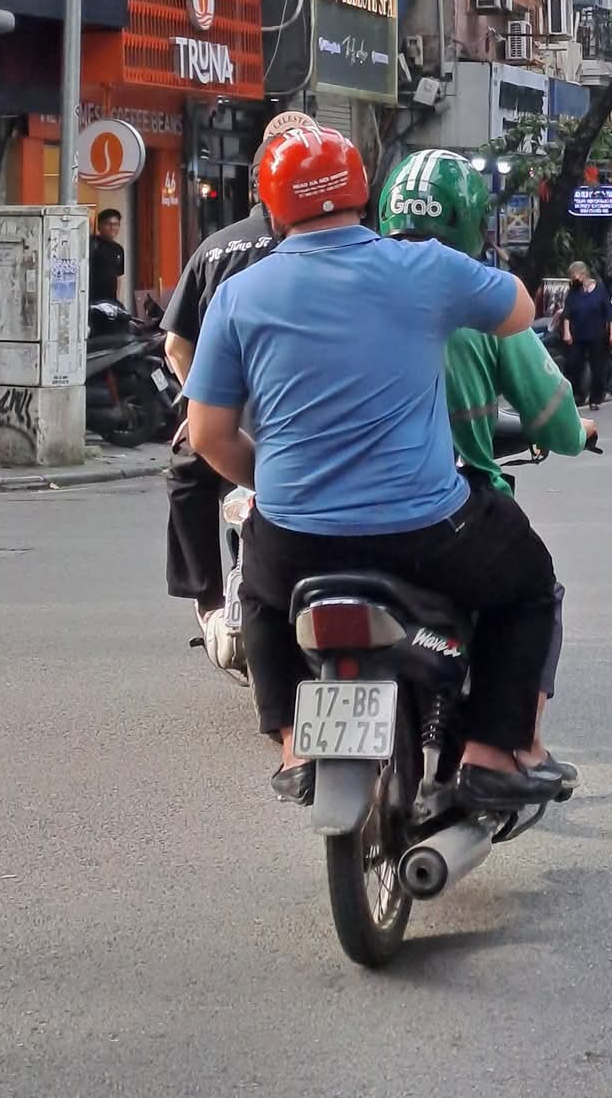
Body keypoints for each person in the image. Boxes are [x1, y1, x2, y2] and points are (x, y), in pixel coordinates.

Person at [185, 125, 560, 811]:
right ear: (364, 195)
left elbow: (208, 434)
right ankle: (493, 751)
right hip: (426, 530)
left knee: (261, 598)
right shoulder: (425, 270)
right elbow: (521, 311)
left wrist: (275, 484)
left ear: (272, 208)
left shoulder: (240, 294)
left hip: (296, 539)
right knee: (529, 584)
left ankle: (298, 742)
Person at [377, 149, 596, 782]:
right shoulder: (481, 300)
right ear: (474, 221)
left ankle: (291, 736)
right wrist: (575, 431)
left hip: (331, 512)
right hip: (449, 506)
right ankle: (506, 746)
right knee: (533, 587)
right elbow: (552, 418)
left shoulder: (345, 288)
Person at [160, 111, 318, 667]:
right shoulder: (332, 247)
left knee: (186, 477)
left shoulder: (214, 249)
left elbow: (176, 347)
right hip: (306, 419)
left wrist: (199, 400)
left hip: (225, 420)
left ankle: (206, 599)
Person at [560, 259, 612, 409]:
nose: (572, 278)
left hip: (597, 335)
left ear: (582, 274)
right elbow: (567, 313)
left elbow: (609, 313)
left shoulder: (599, 289)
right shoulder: (574, 291)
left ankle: (595, 399)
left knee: (598, 369)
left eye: (574, 275)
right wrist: (567, 332)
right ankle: (578, 396)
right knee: (573, 366)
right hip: (578, 335)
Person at [89, 209, 126, 305]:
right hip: (92, 301)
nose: (113, 228)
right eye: (109, 224)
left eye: (116, 224)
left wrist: (117, 300)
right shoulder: (91, 244)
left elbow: (118, 277)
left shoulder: (118, 249)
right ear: (99, 226)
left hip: (110, 302)